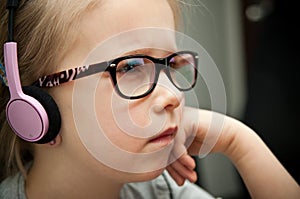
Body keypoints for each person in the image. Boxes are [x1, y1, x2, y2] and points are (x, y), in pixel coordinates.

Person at [0, 0, 299, 199]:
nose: (173, 95)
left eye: (171, 65)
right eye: (129, 68)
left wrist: (239, 143)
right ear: (33, 105)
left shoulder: (163, 191)